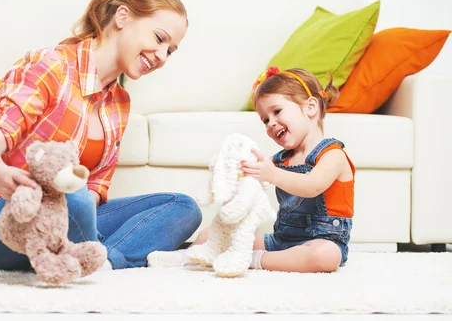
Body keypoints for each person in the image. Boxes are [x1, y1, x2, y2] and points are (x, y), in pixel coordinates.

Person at [0, 0, 202, 271]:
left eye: (171, 50)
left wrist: (79, 214)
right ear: (123, 17)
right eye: (159, 38)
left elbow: (95, 188)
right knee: (73, 198)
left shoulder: (119, 103)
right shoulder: (50, 66)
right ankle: (102, 251)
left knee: (183, 207)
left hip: (65, 214)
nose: (162, 56)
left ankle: (102, 260)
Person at [148, 67, 354, 273]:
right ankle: (186, 257)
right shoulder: (281, 159)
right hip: (281, 240)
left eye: (277, 111)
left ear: (310, 107)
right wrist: (233, 169)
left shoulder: (332, 154)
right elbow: (252, 174)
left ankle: (254, 260)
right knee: (211, 233)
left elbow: (312, 186)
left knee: (325, 256)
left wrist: (271, 173)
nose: (271, 123)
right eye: (265, 119)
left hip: (321, 243)